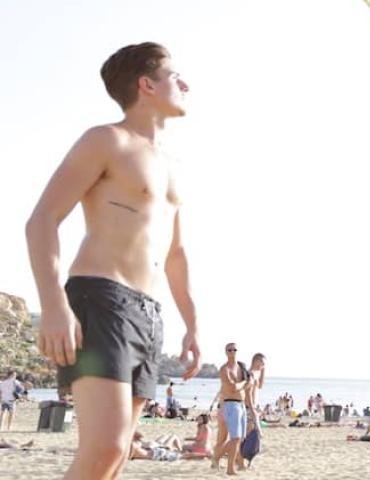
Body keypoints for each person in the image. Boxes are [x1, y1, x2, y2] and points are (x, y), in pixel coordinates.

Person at [25, 42, 202, 479]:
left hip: (149, 312)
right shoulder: (106, 140)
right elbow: (42, 219)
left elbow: (175, 254)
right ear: (147, 85)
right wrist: (53, 306)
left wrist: (192, 326)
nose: (186, 84)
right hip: (100, 297)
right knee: (104, 448)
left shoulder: (173, 167)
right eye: (174, 76)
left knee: (120, 453)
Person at [211, 343, 249, 475]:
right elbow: (232, 388)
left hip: (241, 404)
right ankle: (229, 467)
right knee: (235, 438)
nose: (232, 352)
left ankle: (217, 458)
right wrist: (244, 382)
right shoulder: (224, 369)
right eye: (229, 350)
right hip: (230, 404)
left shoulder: (242, 368)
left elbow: (248, 387)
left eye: (234, 349)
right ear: (226, 352)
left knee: (240, 438)